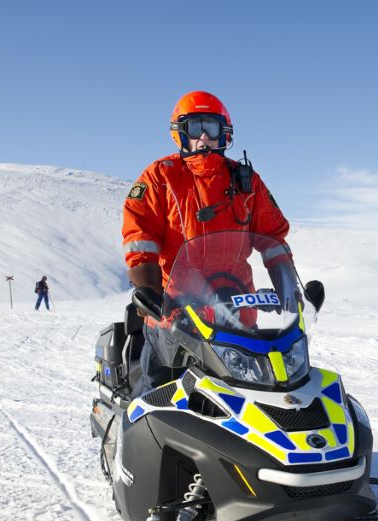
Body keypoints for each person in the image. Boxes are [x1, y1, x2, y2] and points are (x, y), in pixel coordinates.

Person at [122, 90, 290, 395]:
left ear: (224, 132)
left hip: (237, 310)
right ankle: (130, 438)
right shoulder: (160, 176)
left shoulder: (246, 181)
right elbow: (139, 236)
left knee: (252, 393)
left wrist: (287, 285)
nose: (203, 138)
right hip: (174, 315)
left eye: (210, 128)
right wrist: (147, 289)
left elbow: (274, 236)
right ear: (179, 134)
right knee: (154, 397)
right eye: (193, 128)